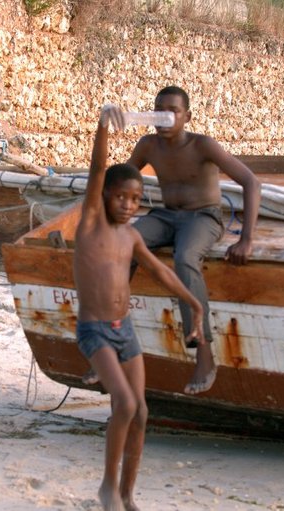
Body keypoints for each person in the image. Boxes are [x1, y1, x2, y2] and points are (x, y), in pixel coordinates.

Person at [75, 104, 204, 511]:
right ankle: (107, 487)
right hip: (95, 330)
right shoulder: (92, 223)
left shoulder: (131, 237)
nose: (129, 205)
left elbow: (162, 273)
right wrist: (102, 128)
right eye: (121, 197)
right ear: (105, 197)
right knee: (125, 404)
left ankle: (128, 495)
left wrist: (194, 304)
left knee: (142, 411)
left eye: (137, 199)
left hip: (124, 329)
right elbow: (98, 170)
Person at [104, 85, 260, 396]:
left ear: (186, 116)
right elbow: (119, 178)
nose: (165, 116)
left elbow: (250, 182)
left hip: (203, 217)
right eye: (159, 109)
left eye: (172, 111)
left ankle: (203, 352)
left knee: (185, 258)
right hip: (166, 216)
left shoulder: (203, 145)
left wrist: (247, 239)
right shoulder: (148, 144)